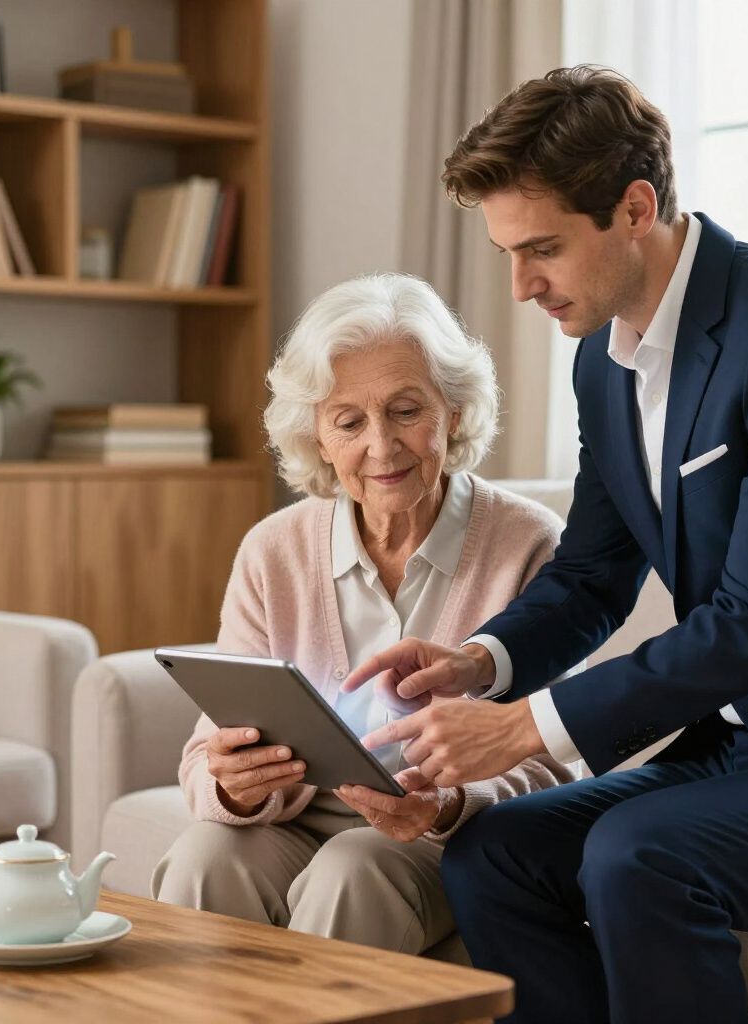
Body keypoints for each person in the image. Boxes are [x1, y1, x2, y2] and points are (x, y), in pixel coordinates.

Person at [342, 67, 748, 1021]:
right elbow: (591, 575)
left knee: (641, 856)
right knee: (494, 853)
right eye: (508, 251)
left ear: (634, 207)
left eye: (541, 249)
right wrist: (476, 664)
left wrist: (525, 728)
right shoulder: (603, 359)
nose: (521, 285)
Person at [150, 271, 574, 955]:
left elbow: (551, 760)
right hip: (297, 821)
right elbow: (205, 756)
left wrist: (441, 805)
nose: (382, 445)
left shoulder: (528, 544)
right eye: (349, 421)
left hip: (449, 834)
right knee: (206, 854)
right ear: (318, 436)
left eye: (407, 410)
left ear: (454, 411)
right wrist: (232, 785)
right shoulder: (274, 549)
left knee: (354, 869)